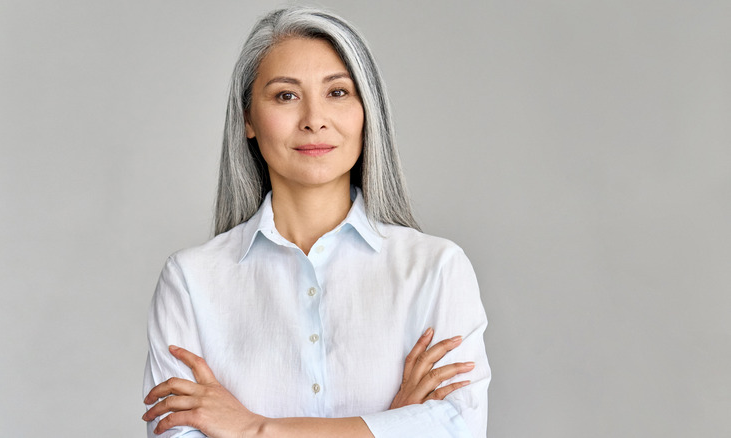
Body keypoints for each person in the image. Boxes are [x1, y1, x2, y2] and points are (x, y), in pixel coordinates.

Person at [141, 6, 490, 438]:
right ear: (248, 118)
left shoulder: (437, 268)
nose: (314, 119)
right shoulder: (191, 281)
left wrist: (256, 429)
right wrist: (389, 427)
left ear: (368, 111)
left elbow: (457, 429)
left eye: (338, 92)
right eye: (285, 95)